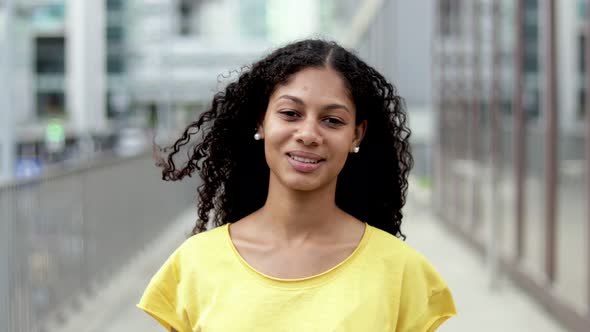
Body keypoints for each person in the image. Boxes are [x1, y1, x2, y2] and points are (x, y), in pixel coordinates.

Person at [138, 39, 456, 332]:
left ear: (356, 135)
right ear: (261, 122)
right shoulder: (194, 264)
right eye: (290, 113)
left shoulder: (402, 272)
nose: (308, 134)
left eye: (332, 120)